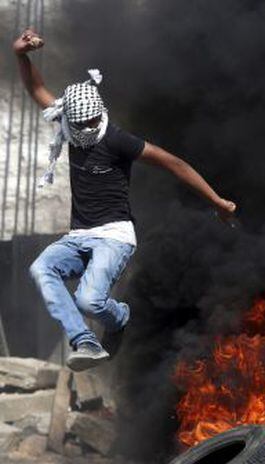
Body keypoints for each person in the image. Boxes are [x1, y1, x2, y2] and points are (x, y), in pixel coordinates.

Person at [13, 28, 237, 372]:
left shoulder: (117, 140)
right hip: (78, 236)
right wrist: (21, 55)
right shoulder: (68, 125)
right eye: (80, 122)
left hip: (114, 236)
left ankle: (118, 318)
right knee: (42, 268)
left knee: (88, 300)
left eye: (91, 120)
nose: (87, 126)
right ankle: (84, 341)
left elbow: (174, 163)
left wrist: (217, 202)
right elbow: (37, 90)